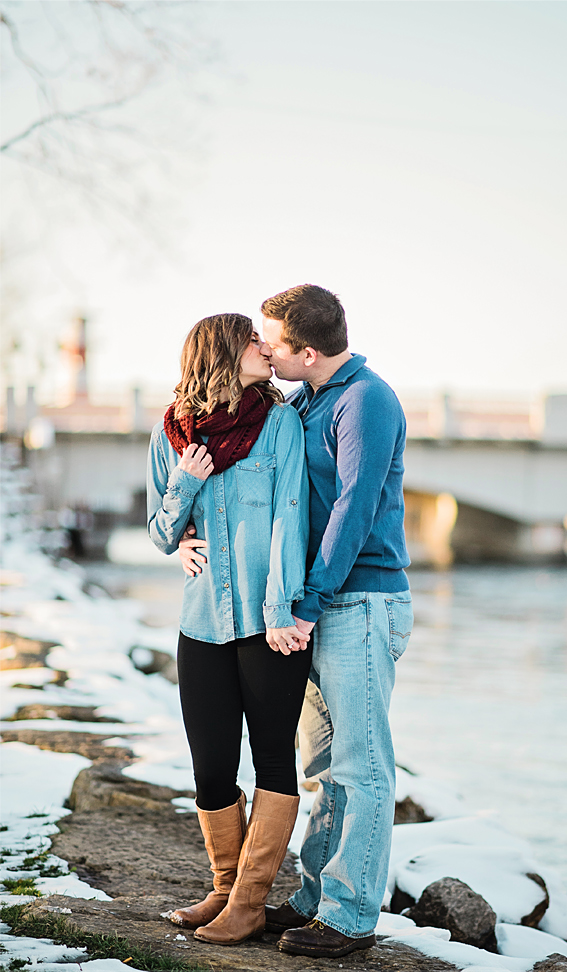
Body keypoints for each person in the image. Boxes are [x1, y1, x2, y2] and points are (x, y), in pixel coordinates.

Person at [178, 284, 412, 959]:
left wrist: (304, 603)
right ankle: (314, 897)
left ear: (307, 351)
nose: (265, 350)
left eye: (273, 343)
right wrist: (189, 532)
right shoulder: (303, 403)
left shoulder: (366, 401)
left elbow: (354, 511)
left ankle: (350, 917)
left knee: (362, 766)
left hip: (357, 602)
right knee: (321, 764)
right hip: (311, 604)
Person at [148, 312, 310, 944]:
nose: (265, 348)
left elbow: (287, 524)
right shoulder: (170, 434)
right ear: (222, 352)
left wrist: (279, 613)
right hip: (202, 622)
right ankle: (222, 887)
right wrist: (186, 482)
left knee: (272, 757)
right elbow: (162, 535)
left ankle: (249, 903)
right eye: (252, 340)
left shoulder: (279, 426)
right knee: (212, 767)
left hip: (269, 622)